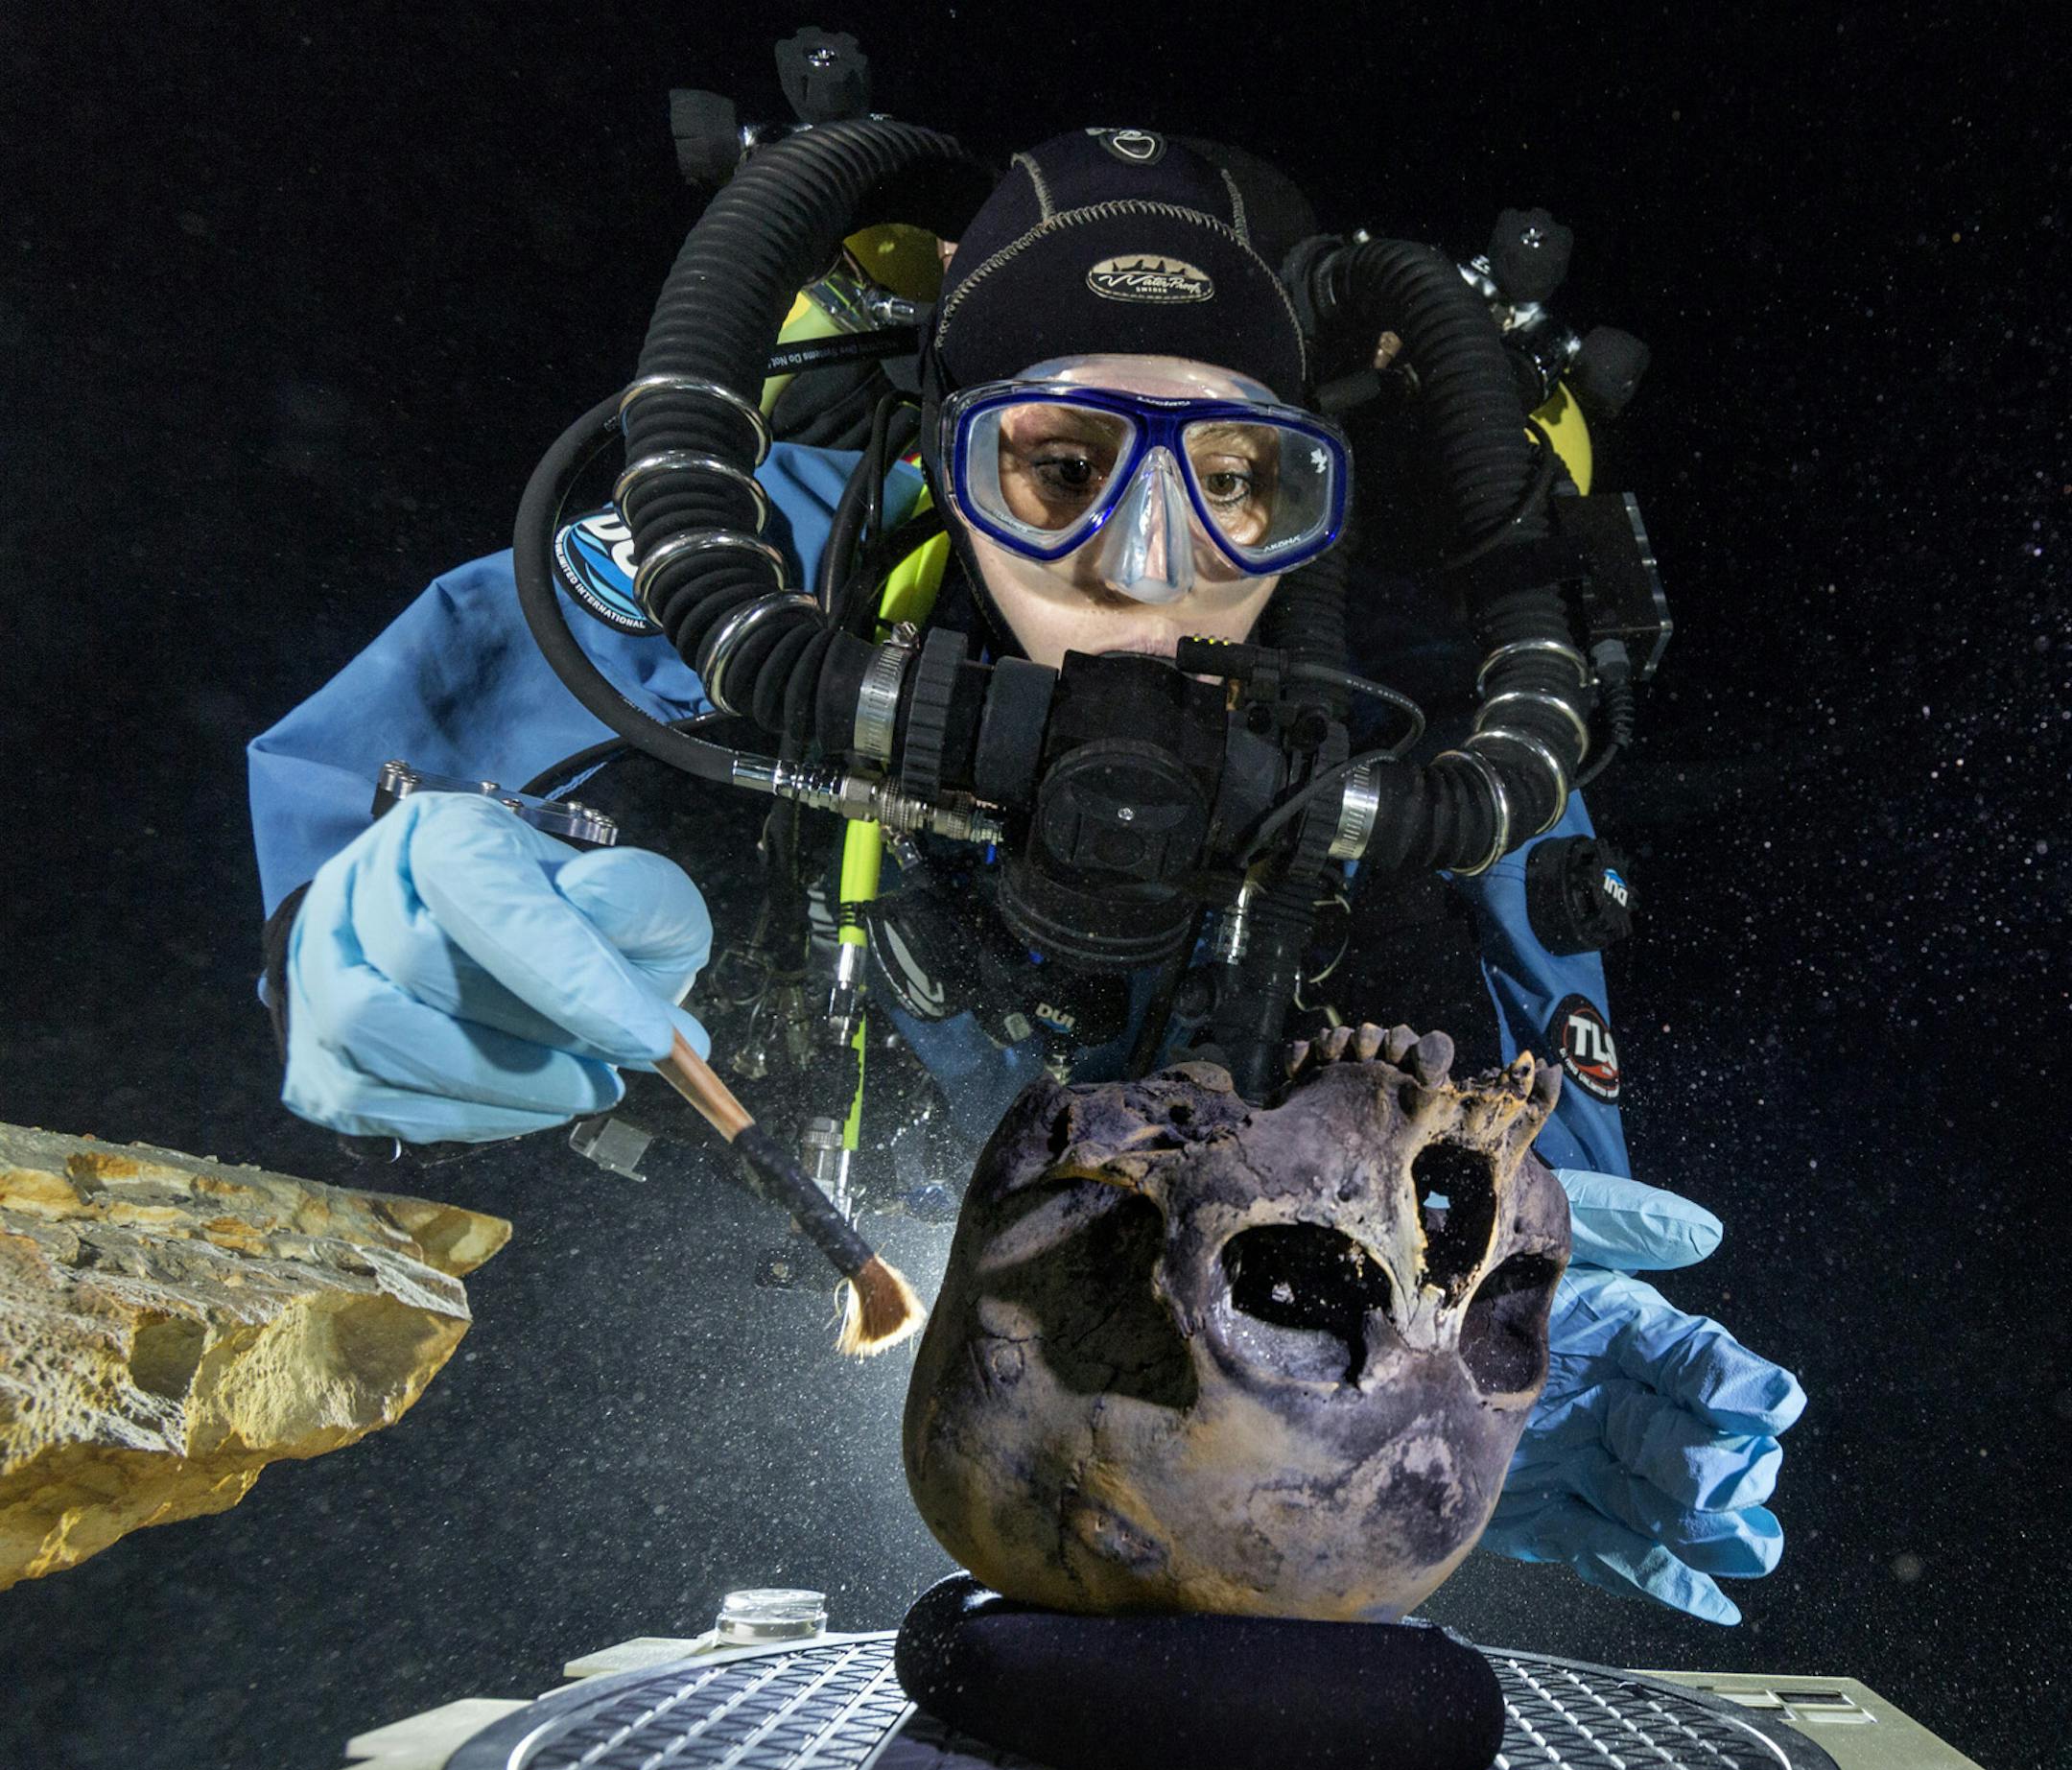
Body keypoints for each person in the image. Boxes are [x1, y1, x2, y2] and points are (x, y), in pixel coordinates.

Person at [247, 129, 1801, 1628]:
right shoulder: (798, 551)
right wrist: (332, 917)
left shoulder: (1429, 711)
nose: (1144, 562)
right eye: (1056, 466)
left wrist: (1510, 1308)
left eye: (1235, 480)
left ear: (1298, 496)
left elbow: (1546, 1041)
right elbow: (432, 704)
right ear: (948, 454)